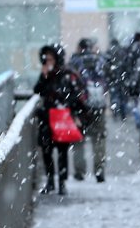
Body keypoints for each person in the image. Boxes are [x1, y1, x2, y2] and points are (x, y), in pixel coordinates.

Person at [33, 43, 88, 196]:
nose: (49, 61)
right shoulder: (45, 74)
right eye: (46, 59)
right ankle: (50, 181)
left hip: (62, 118)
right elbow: (37, 90)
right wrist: (44, 77)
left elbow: (73, 96)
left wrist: (74, 114)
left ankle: (61, 183)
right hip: (46, 117)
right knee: (46, 151)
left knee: (62, 152)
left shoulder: (66, 74)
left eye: (51, 58)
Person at [69, 37, 108, 182]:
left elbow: (70, 84)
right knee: (99, 139)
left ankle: (79, 170)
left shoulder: (74, 63)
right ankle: (99, 170)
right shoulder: (100, 61)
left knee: (78, 140)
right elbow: (108, 80)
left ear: (79, 48)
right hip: (98, 105)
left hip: (80, 107)